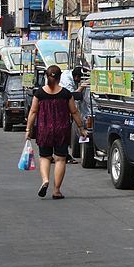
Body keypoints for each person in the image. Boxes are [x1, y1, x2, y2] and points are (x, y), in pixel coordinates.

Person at [26, 65, 87, 200]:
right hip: (62, 130)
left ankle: (45, 180)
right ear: (59, 78)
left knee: (45, 157)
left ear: (47, 77)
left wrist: (28, 130)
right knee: (60, 159)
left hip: (44, 129)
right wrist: (81, 128)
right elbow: (74, 112)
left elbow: (33, 112)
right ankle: (56, 190)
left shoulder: (39, 93)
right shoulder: (66, 94)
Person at [59, 67, 86, 163]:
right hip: (63, 109)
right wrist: (82, 86)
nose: (78, 81)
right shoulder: (67, 82)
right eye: (79, 79)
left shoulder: (68, 73)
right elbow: (73, 95)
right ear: (76, 77)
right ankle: (64, 156)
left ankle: (60, 155)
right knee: (63, 134)